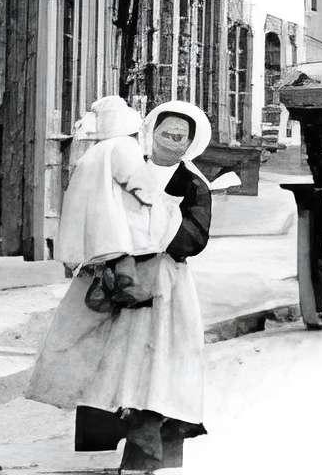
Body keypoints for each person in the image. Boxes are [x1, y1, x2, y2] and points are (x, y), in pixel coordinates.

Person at [31, 98, 214, 471]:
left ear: (190, 144)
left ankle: (147, 455)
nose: (172, 141)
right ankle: (105, 450)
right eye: (167, 133)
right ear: (152, 133)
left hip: (164, 286)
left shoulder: (193, 184)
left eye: (181, 137)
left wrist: (153, 233)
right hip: (117, 276)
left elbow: (194, 237)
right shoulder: (128, 165)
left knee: (155, 370)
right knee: (107, 365)